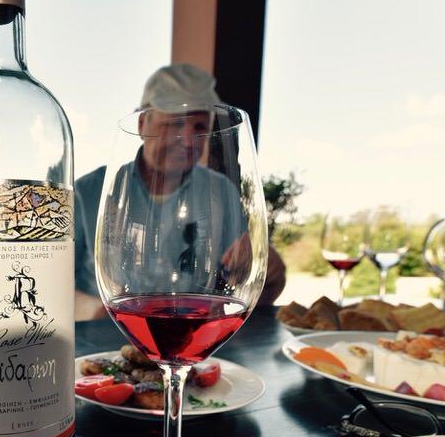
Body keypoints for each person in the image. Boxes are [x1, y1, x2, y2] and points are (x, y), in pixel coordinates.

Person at [73, 64, 286, 320]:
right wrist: (102, 313)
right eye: (174, 124)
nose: (187, 141)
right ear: (142, 124)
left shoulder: (222, 191)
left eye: (199, 126)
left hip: (191, 340)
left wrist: (271, 273)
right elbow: (52, 286)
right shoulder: (87, 192)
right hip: (104, 342)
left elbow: (242, 288)